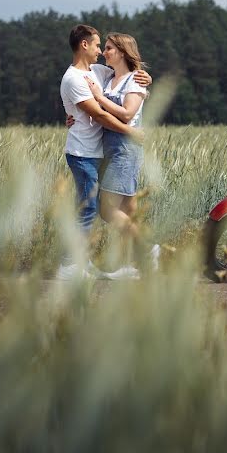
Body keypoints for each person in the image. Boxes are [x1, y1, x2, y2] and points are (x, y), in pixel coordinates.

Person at [56, 24, 148, 280]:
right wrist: (131, 132)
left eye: (105, 47)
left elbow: (129, 75)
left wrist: (145, 78)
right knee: (89, 208)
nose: (100, 51)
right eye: (98, 45)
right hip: (82, 152)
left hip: (99, 153)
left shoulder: (97, 71)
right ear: (84, 45)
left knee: (121, 210)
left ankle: (136, 261)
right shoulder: (73, 78)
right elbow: (98, 114)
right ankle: (71, 266)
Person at [84, 32, 160, 279]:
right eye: (104, 48)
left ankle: (148, 251)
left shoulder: (134, 81)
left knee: (106, 210)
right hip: (112, 147)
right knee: (128, 212)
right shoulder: (109, 78)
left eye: (109, 49)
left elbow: (127, 114)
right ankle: (137, 265)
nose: (104, 52)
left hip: (125, 149)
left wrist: (98, 98)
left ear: (123, 52)